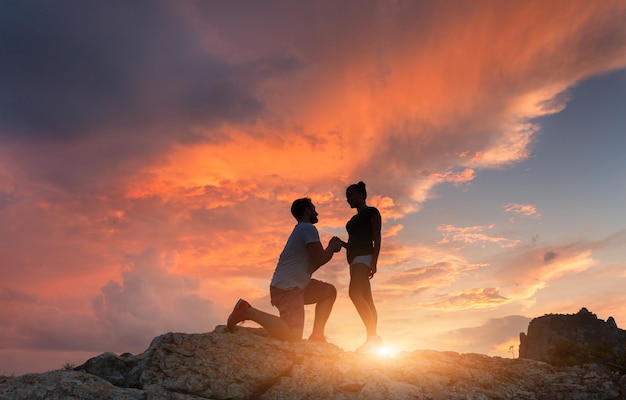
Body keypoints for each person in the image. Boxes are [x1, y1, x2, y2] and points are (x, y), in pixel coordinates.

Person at [227, 197, 342, 342]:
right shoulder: (307, 228)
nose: (317, 213)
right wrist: (331, 248)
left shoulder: (301, 230)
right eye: (314, 209)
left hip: (295, 285)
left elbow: (313, 264)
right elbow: (319, 258)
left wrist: (330, 249)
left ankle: (317, 336)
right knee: (293, 337)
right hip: (288, 288)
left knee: (329, 292)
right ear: (307, 210)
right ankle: (247, 311)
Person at [339, 181, 383, 352]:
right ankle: (373, 339)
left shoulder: (372, 212)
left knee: (354, 294)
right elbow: (353, 243)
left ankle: (372, 338)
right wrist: (341, 244)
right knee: (367, 300)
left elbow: (377, 238)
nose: (348, 199)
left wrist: (374, 262)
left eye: (350, 195)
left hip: (364, 258)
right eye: (346, 197)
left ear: (360, 194)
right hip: (354, 260)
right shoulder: (352, 220)